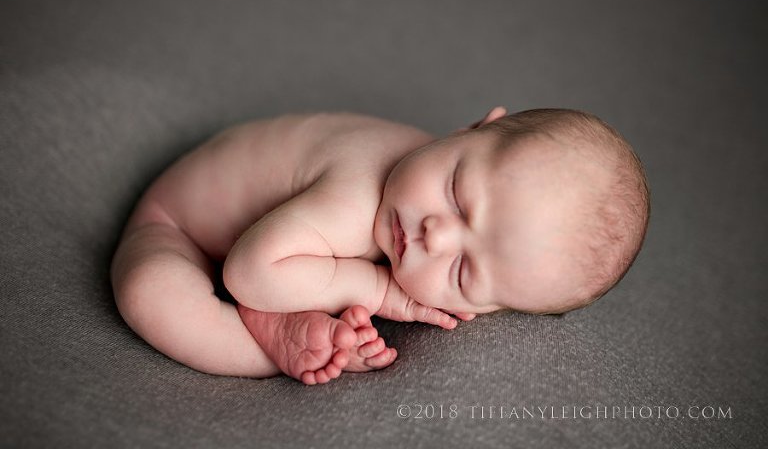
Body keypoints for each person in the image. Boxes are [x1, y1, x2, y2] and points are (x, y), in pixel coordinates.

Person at [110, 107, 649, 384]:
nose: (436, 234)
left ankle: (284, 313)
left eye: (462, 272)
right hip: (176, 225)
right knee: (149, 293)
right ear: (470, 129)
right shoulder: (356, 197)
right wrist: (378, 289)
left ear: (487, 309)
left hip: (276, 246)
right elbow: (247, 274)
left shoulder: (417, 174)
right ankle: (268, 338)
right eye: (456, 194)